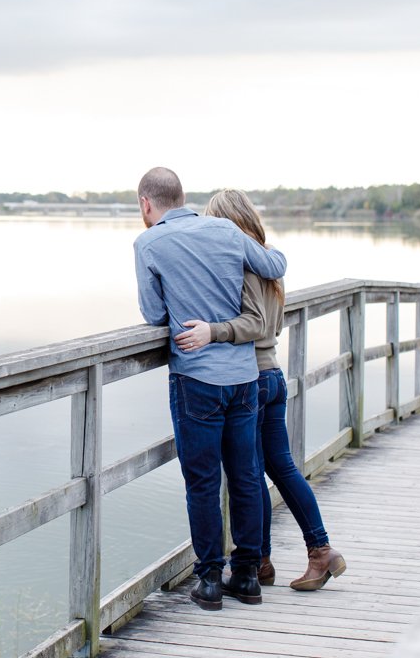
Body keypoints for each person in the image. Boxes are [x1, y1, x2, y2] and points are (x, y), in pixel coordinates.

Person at [175, 188, 347, 592]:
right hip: (273, 375)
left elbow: (254, 324)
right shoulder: (269, 260)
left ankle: (284, 556)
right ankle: (283, 558)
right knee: (273, 468)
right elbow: (274, 324)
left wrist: (213, 331)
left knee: (251, 474)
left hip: (251, 378)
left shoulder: (244, 263)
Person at [133, 168, 288, 610]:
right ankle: (248, 577)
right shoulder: (224, 229)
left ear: (147, 204)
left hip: (196, 378)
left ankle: (209, 581)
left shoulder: (148, 244)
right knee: (244, 477)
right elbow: (274, 265)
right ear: (183, 196)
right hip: (243, 379)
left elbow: (153, 314)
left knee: (201, 483)